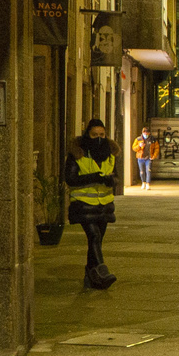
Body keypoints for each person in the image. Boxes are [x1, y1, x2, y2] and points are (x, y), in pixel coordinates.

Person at [65, 118, 118, 289]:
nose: (99, 138)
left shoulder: (110, 152)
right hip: (83, 205)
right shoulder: (78, 153)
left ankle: (91, 274)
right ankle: (102, 270)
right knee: (94, 236)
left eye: (102, 134)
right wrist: (93, 177)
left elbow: (116, 175)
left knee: (96, 241)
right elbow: (70, 178)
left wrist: (111, 181)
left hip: (104, 206)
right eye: (95, 135)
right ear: (88, 134)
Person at [131, 126, 160, 190]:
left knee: (148, 170)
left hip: (149, 158)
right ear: (142, 132)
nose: (145, 134)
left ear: (149, 133)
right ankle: (143, 182)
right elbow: (134, 148)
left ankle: (148, 183)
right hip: (140, 158)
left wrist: (154, 156)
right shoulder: (138, 139)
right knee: (142, 171)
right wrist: (139, 146)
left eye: (147, 133)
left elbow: (157, 148)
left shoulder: (153, 140)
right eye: (144, 132)